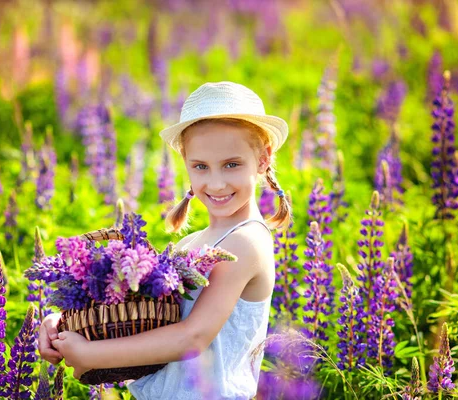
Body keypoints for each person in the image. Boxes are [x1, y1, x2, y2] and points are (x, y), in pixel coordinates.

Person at [40, 81, 292, 399]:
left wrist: (89, 356)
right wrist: (61, 324)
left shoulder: (246, 241)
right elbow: (136, 314)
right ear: (186, 164)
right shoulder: (190, 245)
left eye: (231, 164)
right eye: (201, 166)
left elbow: (192, 338)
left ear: (263, 158)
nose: (215, 183)